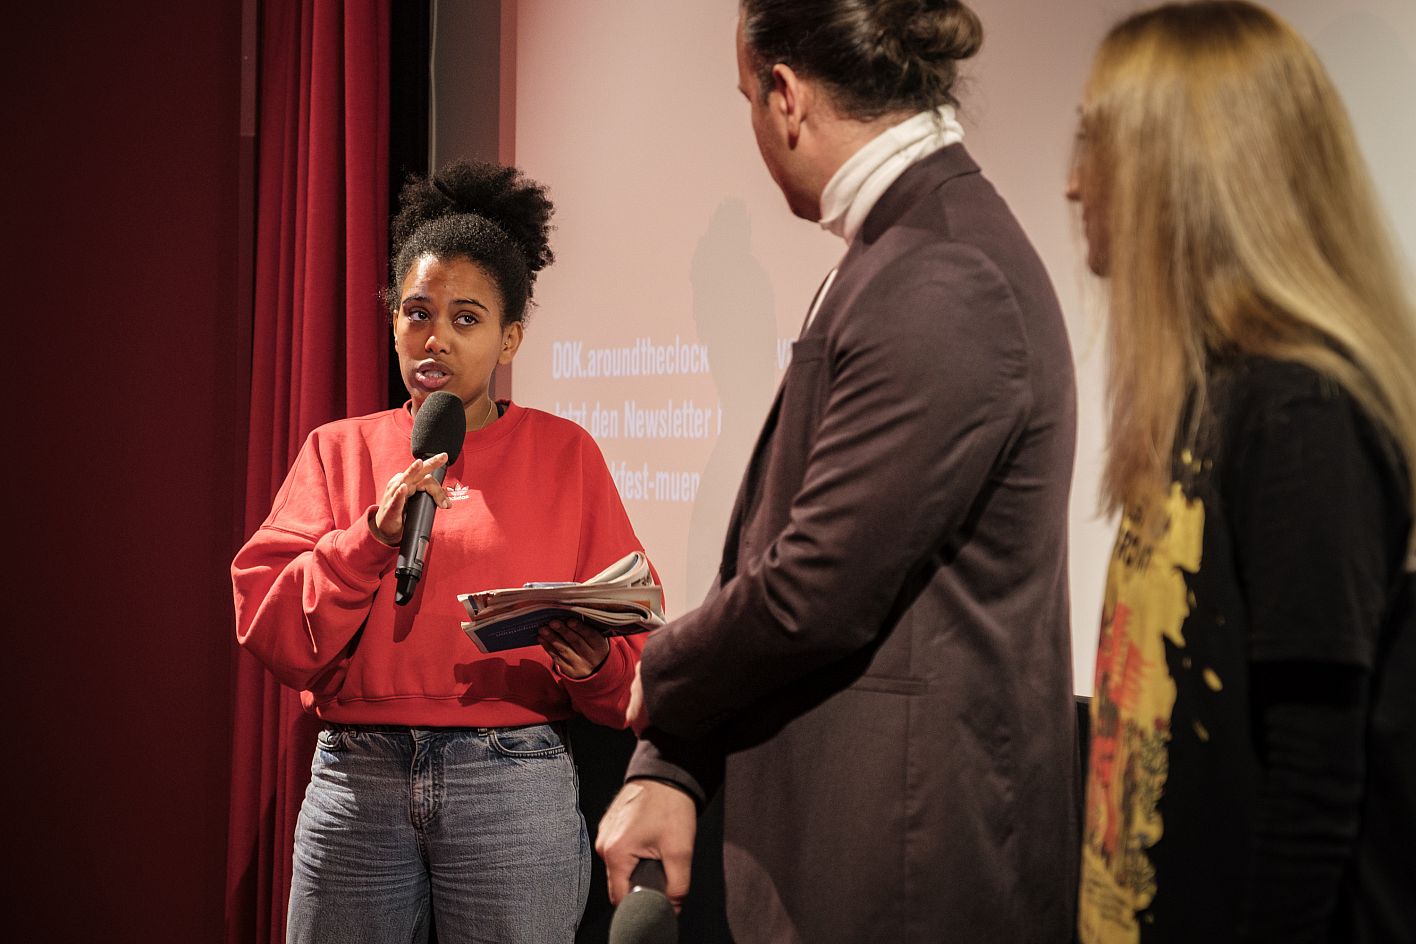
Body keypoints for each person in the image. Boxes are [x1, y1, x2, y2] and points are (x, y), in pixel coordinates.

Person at [595, 2, 1080, 941]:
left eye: (747, 98)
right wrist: (673, 763)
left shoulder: (942, 271)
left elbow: (815, 585)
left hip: (907, 871)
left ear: (785, 95)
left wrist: (664, 665)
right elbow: (775, 546)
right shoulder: (900, 252)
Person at [232, 160, 652, 944]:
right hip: (357, 778)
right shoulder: (338, 450)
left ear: (509, 337)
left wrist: (594, 663)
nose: (436, 338)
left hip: (512, 781)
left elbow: (633, 643)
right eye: (417, 313)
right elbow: (273, 630)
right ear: (393, 322)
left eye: (466, 318)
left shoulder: (566, 454)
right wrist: (370, 539)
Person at [1066, 3, 1416, 942]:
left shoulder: (1303, 415)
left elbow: (1312, 785)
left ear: (1184, 173)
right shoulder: (1209, 395)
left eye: (1096, 142)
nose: (1072, 182)